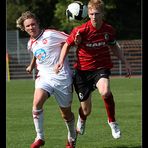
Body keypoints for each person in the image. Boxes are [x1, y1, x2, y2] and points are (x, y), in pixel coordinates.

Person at [54, 0, 132, 140]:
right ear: (88, 14)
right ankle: (82, 118)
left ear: (102, 14)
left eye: (97, 13)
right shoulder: (80, 31)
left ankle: (112, 122)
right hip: (82, 72)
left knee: (105, 91)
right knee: (86, 109)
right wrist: (60, 61)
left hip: (101, 68)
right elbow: (67, 45)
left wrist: (125, 62)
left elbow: (114, 46)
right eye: (91, 14)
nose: (94, 16)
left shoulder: (108, 30)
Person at [16, 11, 77, 148]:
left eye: (33, 24)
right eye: (28, 26)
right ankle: (40, 137)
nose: (31, 27)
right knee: (36, 103)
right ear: (24, 28)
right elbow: (35, 53)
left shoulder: (50, 34)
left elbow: (70, 40)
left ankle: (72, 137)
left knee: (66, 114)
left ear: (38, 24)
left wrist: (77, 40)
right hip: (44, 77)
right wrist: (31, 65)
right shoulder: (30, 43)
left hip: (62, 78)